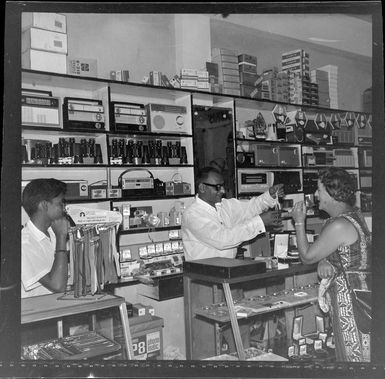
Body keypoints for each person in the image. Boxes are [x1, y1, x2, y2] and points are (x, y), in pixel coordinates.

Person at [291, 167, 371, 362]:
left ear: (333, 194)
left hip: (348, 300)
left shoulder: (338, 225)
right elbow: (341, 252)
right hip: (359, 293)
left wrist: (299, 222)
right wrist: (325, 259)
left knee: (353, 356)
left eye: (320, 190)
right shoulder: (352, 216)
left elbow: (307, 257)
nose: (316, 194)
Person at [182, 166, 284, 261]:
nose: (222, 190)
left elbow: (251, 207)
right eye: (217, 187)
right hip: (204, 276)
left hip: (227, 269)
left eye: (222, 186)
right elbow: (222, 240)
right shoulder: (192, 215)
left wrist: (269, 196)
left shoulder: (225, 205)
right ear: (202, 188)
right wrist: (260, 222)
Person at [21, 178, 70, 298]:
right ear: (44, 205)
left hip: (59, 311)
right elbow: (57, 286)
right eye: (60, 203)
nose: (64, 208)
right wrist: (61, 237)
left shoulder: (54, 233)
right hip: (38, 315)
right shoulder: (24, 244)